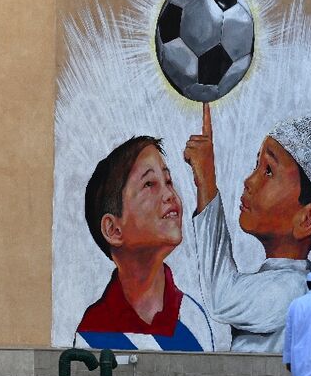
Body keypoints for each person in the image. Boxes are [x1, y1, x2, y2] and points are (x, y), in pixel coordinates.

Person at [184, 104, 311, 353]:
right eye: (256, 166)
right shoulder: (284, 281)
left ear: (307, 219)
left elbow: (221, 297)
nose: (249, 181)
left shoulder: (290, 290)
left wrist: (206, 180)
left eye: (269, 171)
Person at [77, 136, 213, 351]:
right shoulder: (92, 331)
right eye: (149, 184)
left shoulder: (193, 318)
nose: (169, 194)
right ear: (113, 230)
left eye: (168, 181)